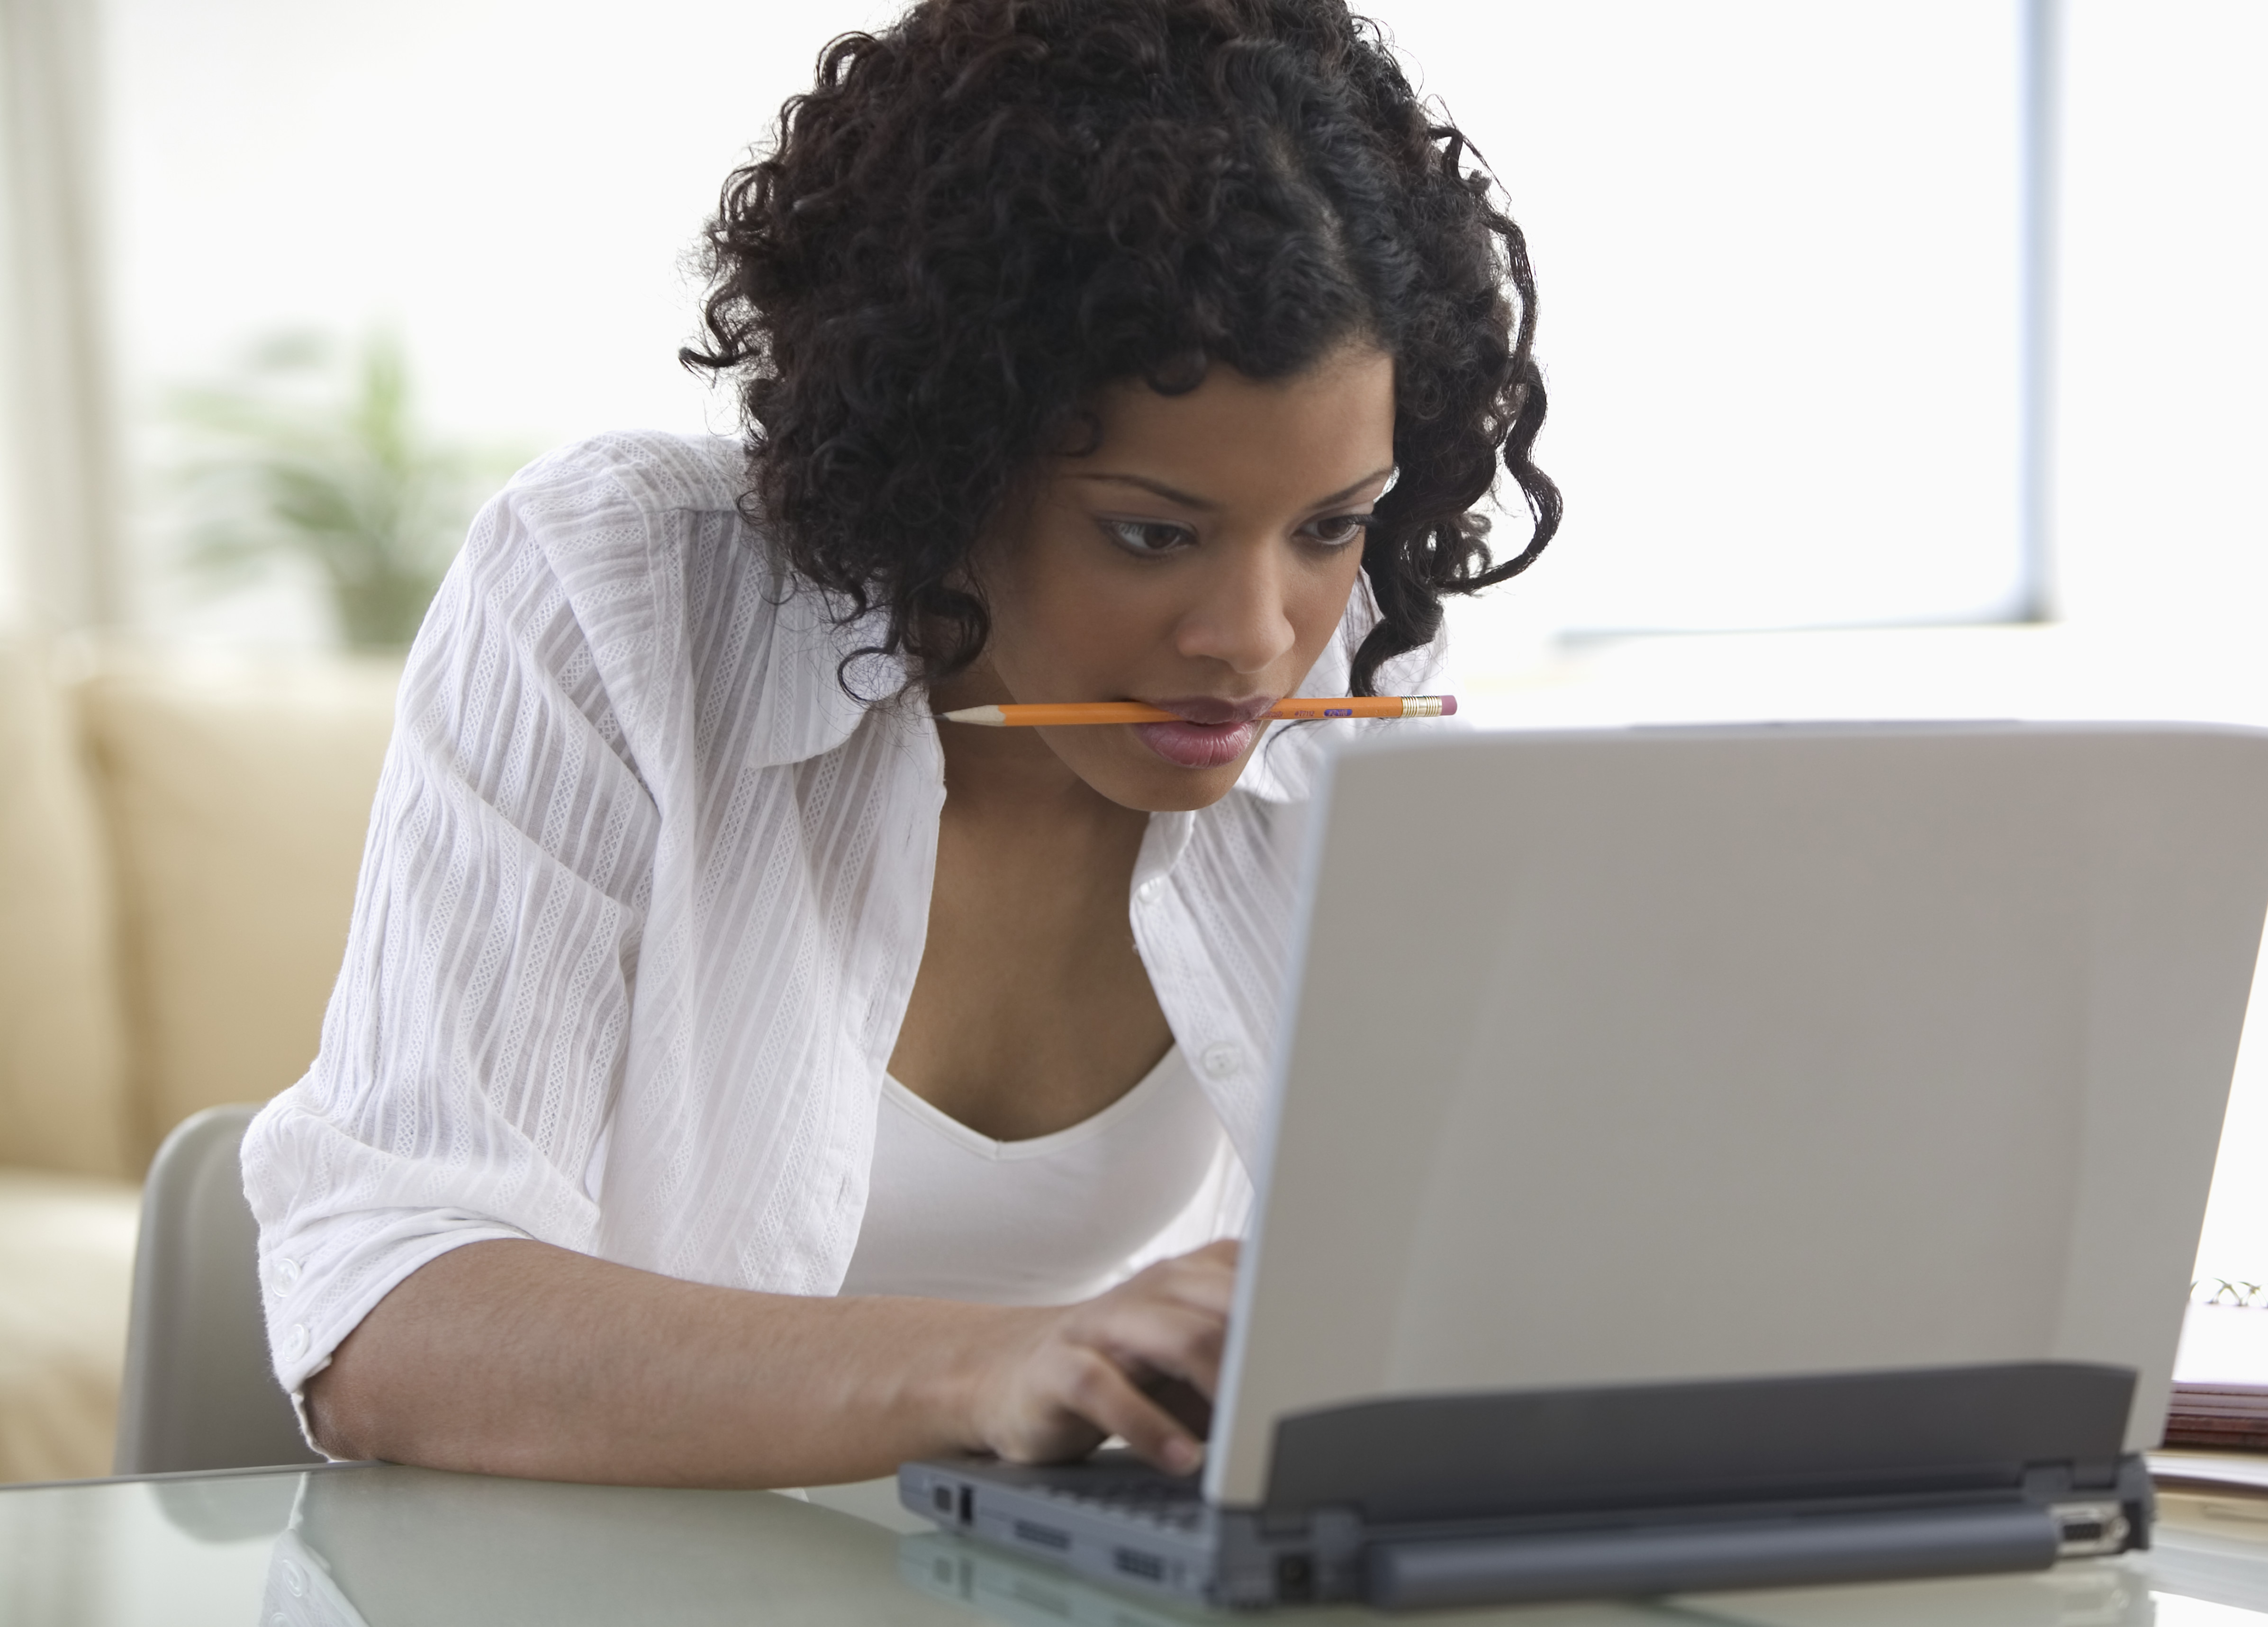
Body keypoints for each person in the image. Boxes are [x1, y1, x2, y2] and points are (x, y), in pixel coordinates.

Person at [242, 0, 1557, 1489]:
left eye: (1328, 525)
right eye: (1150, 532)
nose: (1257, 635)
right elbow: (382, 1312)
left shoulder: (1362, 662)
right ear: (951, 463)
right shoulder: (619, 590)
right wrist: (998, 1360)